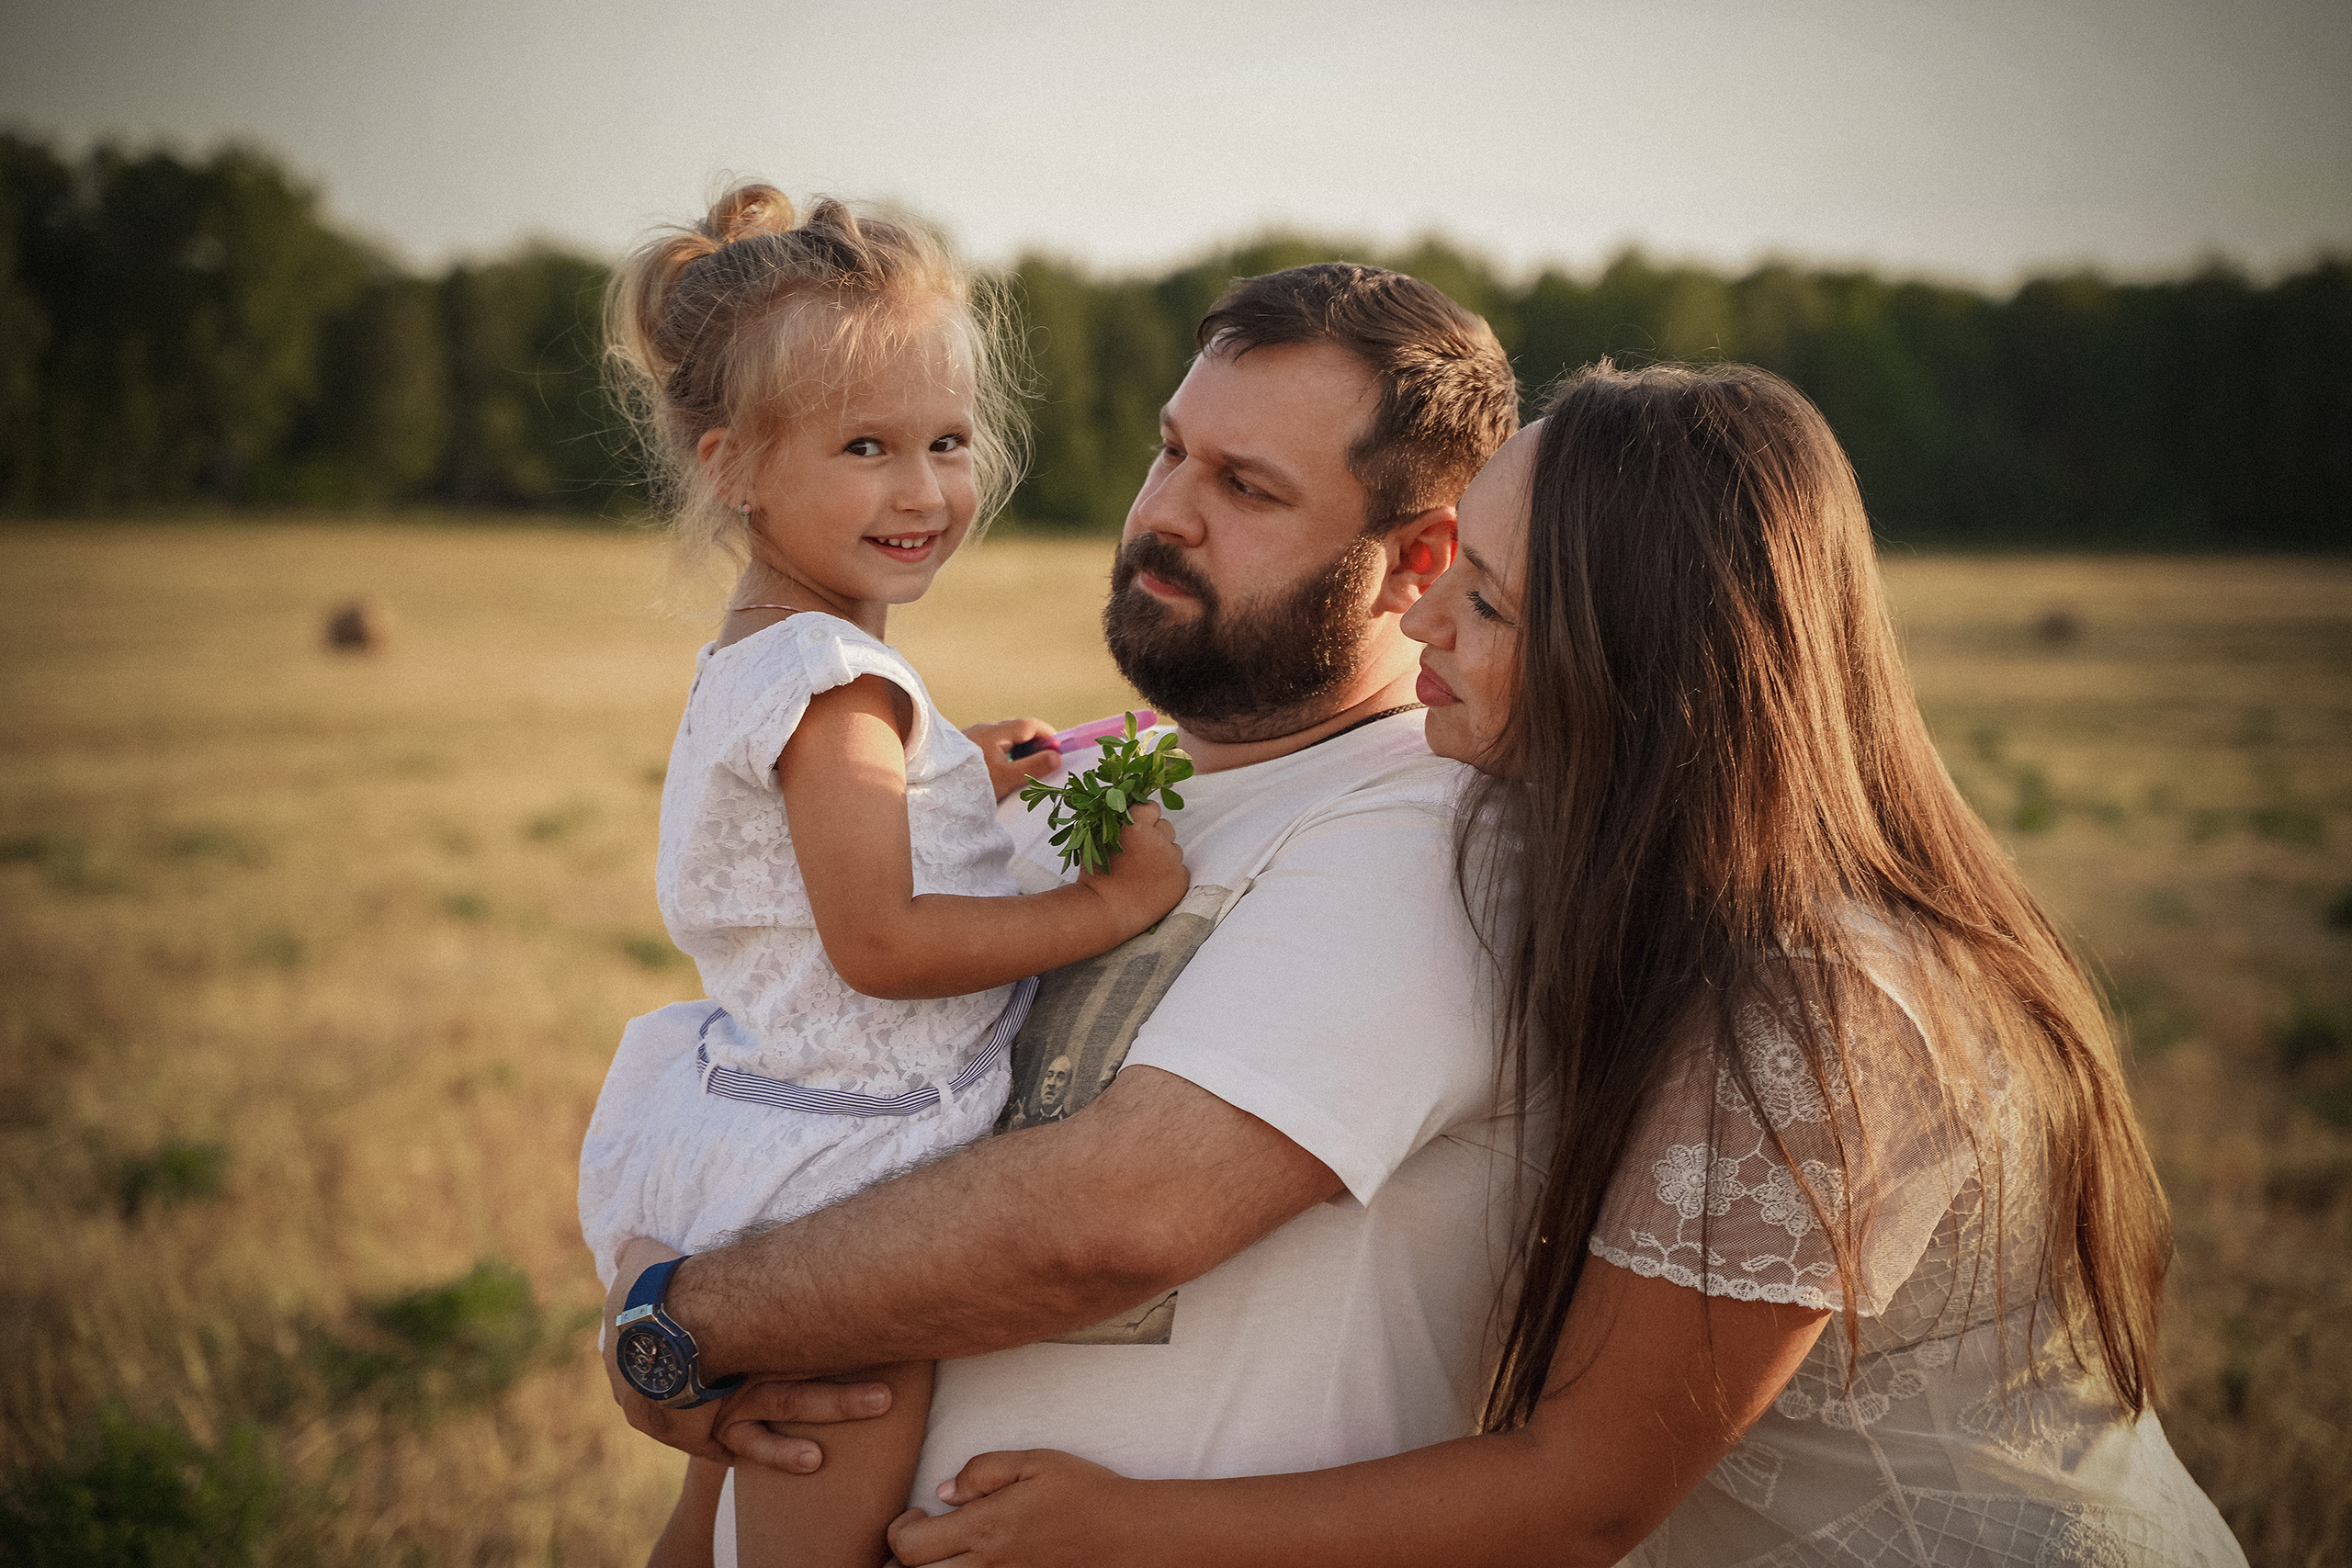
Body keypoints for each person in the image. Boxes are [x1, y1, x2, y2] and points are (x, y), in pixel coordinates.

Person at [886, 364, 2247, 1567]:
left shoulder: (1821, 1009)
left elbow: (1580, 1498)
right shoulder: (1636, 888)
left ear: (1641, 667)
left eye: (1479, 598)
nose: (1419, 623)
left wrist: (1126, 1534)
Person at [596, 261, 1523, 1565]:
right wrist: (670, 1327)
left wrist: (684, 1313)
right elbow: (805, 1107)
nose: (1166, 515)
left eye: (1246, 487)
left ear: (1414, 560)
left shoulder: (1436, 837)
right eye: (1171, 453)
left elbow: (1113, 1221)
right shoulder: (1055, 797)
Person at [573, 182, 1191, 1568]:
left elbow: (826, 841)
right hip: (846, 1170)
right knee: (814, 1538)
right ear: (734, 466)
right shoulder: (833, 681)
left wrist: (959, 770)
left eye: (947, 443)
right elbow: (882, 942)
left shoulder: (781, 654)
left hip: (765, 1121)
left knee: (712, 1515)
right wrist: (1098, 905)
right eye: (866, 447)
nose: (923, 490)